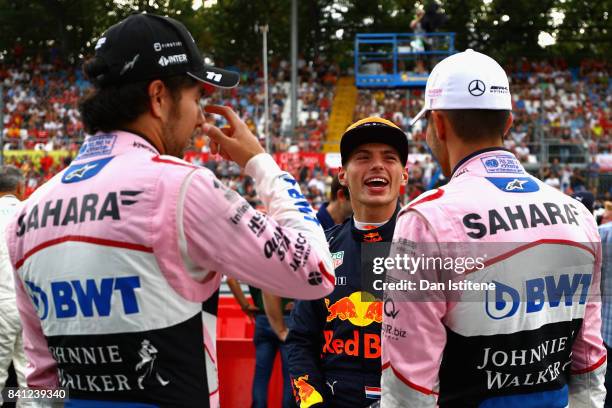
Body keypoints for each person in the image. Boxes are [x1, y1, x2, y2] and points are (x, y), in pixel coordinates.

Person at [6, 13, 334, 408]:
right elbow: (316, 272)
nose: (200, 117)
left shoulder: (28, 213)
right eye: (197, 98)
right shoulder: (182, 186)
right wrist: (261, 162)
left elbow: (41, 385)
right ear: (159, 97)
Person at [382, 49, 606, 407]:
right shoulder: (578, 215)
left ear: (438, 124)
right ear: (508, 123)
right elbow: (589, 361)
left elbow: (408, 384)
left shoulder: (425, 220)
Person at [287, 117, 408, 407]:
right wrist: (313, 404)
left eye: (389, 158)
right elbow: (300, 340)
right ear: (342, 175)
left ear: (404, 175)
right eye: (363, 157)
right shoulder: (322, 247)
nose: (377, 165)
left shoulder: (431, 246)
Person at [227, 278, 295, 408]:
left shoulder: (256, 258)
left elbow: (230, 279)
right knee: (290, 376)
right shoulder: (291, 257)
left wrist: (245, 305)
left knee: (261, 375)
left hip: (263, 318)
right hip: (288, 318)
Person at [0, 166, 27, 399]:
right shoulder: (35, 211)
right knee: (32, 382)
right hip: (32, 306)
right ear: (20, 188)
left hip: (1, 303)